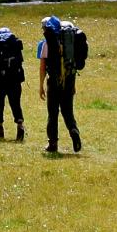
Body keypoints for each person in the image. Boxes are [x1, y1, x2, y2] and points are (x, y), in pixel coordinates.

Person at [37, 15, 82, 153]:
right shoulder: (70, 42)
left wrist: (41, 86)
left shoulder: (45, 44)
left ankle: (53, 144)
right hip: (69, 80)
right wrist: (73, 84)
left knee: (53, 113)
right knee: (68, 111)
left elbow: (43, 67)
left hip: (54, 81)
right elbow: (71, 64)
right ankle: (74, 131)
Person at [0, 26, 25, 141]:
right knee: (15, 104)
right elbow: (20, 63)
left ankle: (0, 129)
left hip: (0, 81)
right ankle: (20, 126)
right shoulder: (15, 44)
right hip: (15, 80)